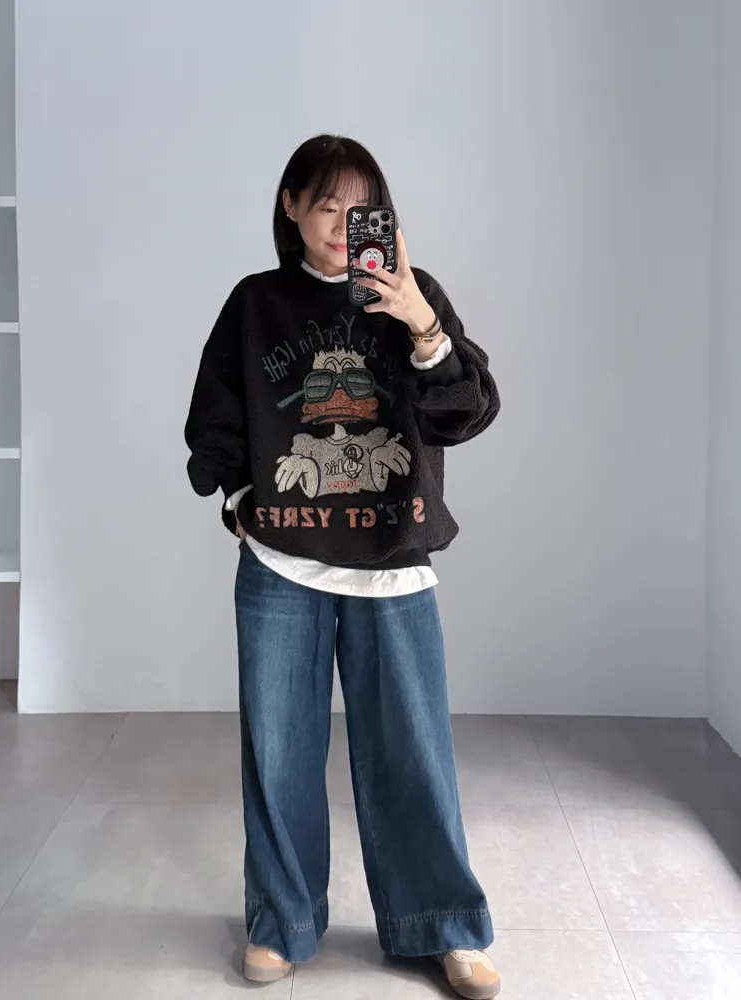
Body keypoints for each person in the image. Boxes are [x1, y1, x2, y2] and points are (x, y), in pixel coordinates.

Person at [185, 135, 502, 999]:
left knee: (414, 754)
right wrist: (238, 500)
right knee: (279, 753)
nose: (340, 224)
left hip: (392, 558)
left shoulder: (412, 295)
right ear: (290, 206)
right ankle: (280, 923)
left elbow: (470, 412)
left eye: (361, 209)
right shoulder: (255, 303)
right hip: (282, 563)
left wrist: (422, 325)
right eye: (325, 204)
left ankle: (444, 924)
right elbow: (214, 417)